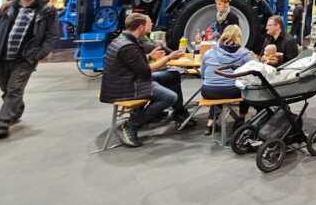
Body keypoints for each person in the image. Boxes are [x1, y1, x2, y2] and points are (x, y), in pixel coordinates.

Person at [0, 0, 60, 139]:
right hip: (1, 57)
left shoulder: (47, 11)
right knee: (6, 89)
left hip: (25, 59)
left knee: (14, 89)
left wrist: (39, 54)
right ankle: (16, 109)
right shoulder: (6, 8)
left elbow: (52, 36)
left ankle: (2, 122)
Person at [100, 13, 185, 147]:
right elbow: (146, 71)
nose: (152, 25)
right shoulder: (128, 46)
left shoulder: (123, 39)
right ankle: (131, 124)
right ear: (141, 27)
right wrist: (168, 58)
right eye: (149, 23)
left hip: (125, 80)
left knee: (173, 75)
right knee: (170, 97)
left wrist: (149, 56)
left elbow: (131, 62)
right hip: (127, 86)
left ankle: (179, 114)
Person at [200, 24, 254, 134]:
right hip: (231, 91)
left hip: (207, 91)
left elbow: (203, 74)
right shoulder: (245, 54)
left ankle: (210, 122)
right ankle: (241, 118)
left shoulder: (209, 52)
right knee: (246, 87)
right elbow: (253, 71)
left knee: (218, 85)